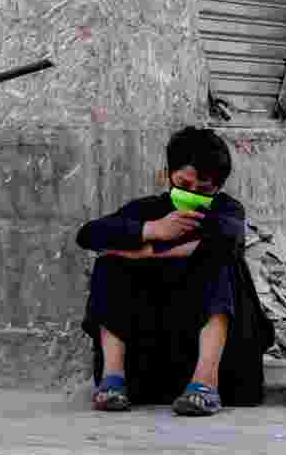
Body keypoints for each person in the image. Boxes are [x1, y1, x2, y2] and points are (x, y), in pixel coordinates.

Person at [76, 126, 273, 416]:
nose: (191, 194)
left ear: (217, 188)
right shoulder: (147, 210)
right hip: (150, 364)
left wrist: (150, 251)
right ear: (169, 175)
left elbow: (225, 241)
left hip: (228, 372)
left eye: (203, 190)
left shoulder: (226, 211)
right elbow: (88, 235)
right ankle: (113, 380)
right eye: (184, 184)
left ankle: (205, 384)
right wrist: (151, 229)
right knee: (110, 261)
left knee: (220, 260)